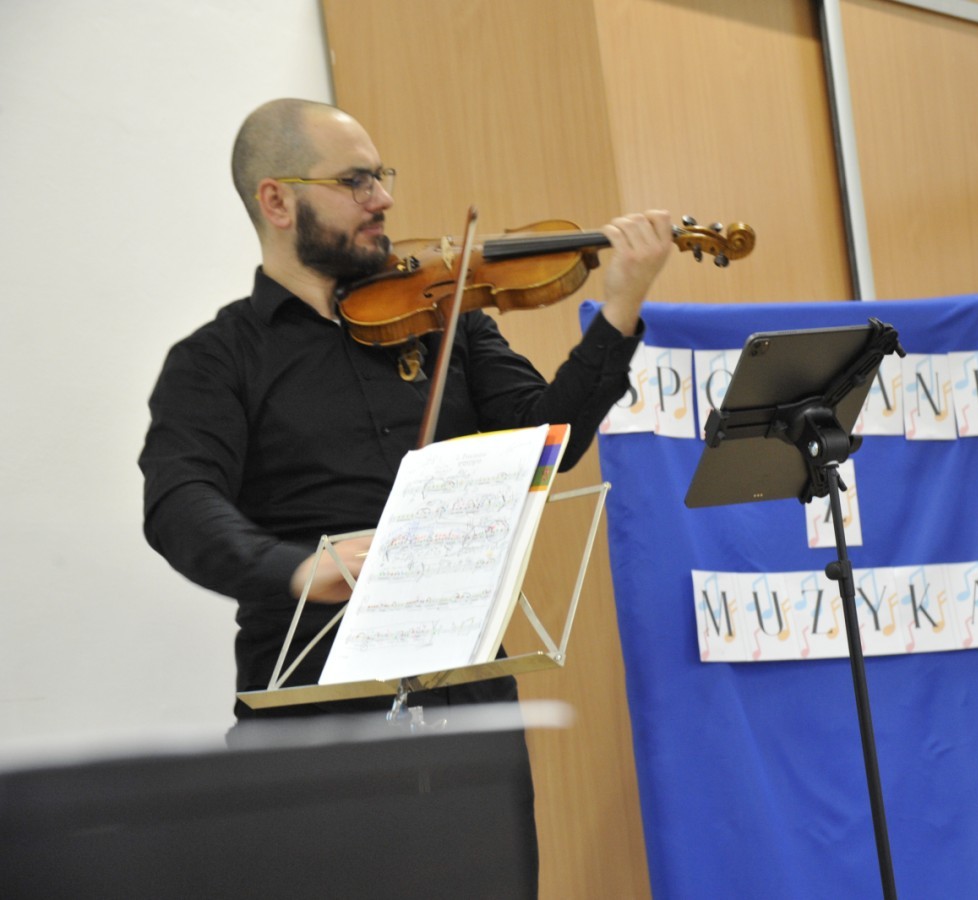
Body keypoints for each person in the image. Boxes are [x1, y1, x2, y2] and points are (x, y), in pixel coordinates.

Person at [139, 97, 670, 722]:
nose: (382, 199)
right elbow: (180, 501)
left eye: (379, 176)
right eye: (354, 181)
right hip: (316, 703)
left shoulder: (444, 317)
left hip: (465, 692)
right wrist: (298, 568)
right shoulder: (215, 360)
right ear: (277, 202)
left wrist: (619, 310)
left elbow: (548, 439)